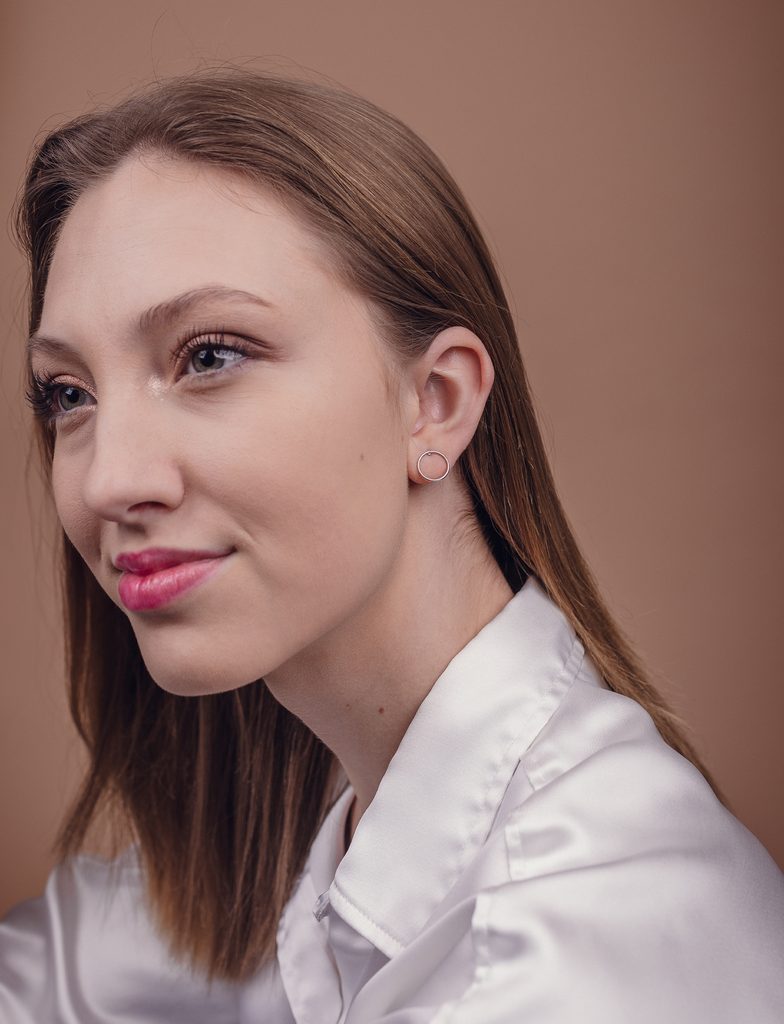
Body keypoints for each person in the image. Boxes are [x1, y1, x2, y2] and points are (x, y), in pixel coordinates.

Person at [1, 67, 782, 1024]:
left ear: (436, 402)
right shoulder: (317, 836)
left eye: (209, 356)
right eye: (68, 394)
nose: (107, 481)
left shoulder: (552, 961)